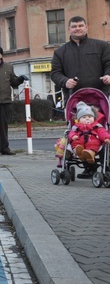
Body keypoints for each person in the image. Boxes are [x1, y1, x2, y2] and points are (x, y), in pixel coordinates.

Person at [51, 16, 110, 177]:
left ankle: (106, 165)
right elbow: (55, 73)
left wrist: (108, 75)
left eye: (80, 25)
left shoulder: (101, 46)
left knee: (102, 130)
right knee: (81, 132)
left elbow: (109, 64)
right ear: (69, 29)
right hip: (75, 100)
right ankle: (89, 166)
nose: (77, 28)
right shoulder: (60, 52)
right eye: (74, 26)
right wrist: (65, 81)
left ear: (86, 27)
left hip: (100, 97)